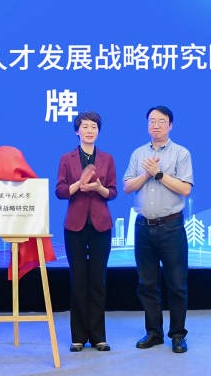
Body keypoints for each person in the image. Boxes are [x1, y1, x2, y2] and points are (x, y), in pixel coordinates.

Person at [122, 105, 193, 353]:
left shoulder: (181, 153)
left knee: (177, 284)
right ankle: (154, 333)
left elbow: (185, 189)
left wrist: (159, 174)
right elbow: (127, 187)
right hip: (143, 227)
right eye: (152, 120)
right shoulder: (138, 153)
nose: (156, 125)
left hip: (171, 227)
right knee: (147, 284)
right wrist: (146, 173)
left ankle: (178, 335)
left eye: (161, 121)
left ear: (170, 125)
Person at [55, 111, 117, 353]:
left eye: (94, 127)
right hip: (75, 226)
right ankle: (78, 337)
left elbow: (112, 192)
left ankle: (99, 336)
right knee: (78, 281)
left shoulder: (107, 158)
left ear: (98, 131)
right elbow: (60, 191)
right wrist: (78, 185)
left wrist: (99, 188)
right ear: (76, 131)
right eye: (85, 126)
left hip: (101, 225)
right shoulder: (66, 158)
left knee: (98, 281)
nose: (89, 130)